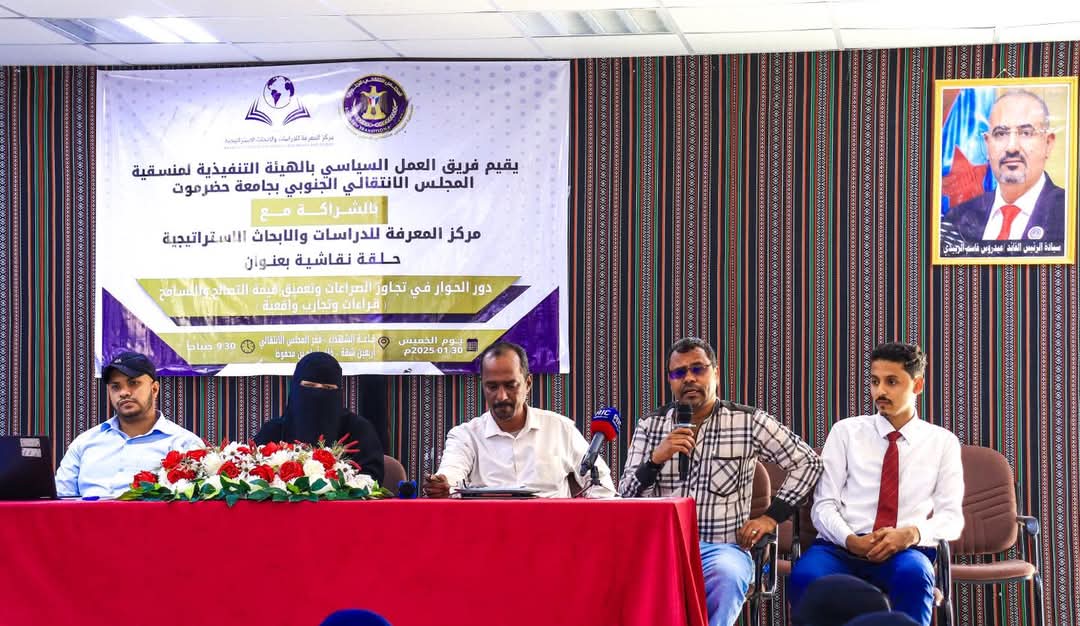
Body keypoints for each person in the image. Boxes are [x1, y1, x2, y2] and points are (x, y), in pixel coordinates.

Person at [619, 337, 822, 626]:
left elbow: (809, 463)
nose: (689, 378)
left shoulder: (747, 422)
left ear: (715, 373)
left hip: (722, 548)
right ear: (670, 380)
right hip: (662, 549)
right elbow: (624, 496)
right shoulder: (650, 426)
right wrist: (655, 460)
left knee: (727, 576)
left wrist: (770, 518)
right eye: (679, 372)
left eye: (697, 369)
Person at [788, 342, 964, 626]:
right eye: (874, 381)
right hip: (840, 548)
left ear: (917, 385)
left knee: (915, 576)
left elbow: (951, 518)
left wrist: (911, 534)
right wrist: (851, 540)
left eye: (891, 382)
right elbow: (824, 505)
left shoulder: (942, 443)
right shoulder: (846, 432)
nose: (880, 391)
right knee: (805, 577)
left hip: (904, 550)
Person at [422, 341, 616, 498]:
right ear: (483, 386)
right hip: (489, 530)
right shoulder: (466, 436)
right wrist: (443, 484)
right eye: (492, 387)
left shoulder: (560, 429)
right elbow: (451, 474)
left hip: (553, 530)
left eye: (510, 385)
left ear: (527, 383)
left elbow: (603, 488)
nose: (501, 396)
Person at [55, 351, 203, 498]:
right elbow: (59, 499)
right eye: (115, 386)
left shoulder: (184, 444)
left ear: (154, 389)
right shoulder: (84, 443)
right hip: (87, 514)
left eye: (133, 383)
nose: (124, 392)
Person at [943, 89, 1065, 242]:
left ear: (1048, 143)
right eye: (1001, 133)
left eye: (1026, 133)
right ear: (987, 145)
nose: (1011, 147)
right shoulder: (956, 219)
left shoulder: (1070, 212)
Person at [254, 351, 384, 484]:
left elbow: (371, 480)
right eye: (309, 386)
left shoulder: (359, 431)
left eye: (327, 387)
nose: (318, 393)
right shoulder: (273, 431)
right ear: (295, 388)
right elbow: (253, 476)